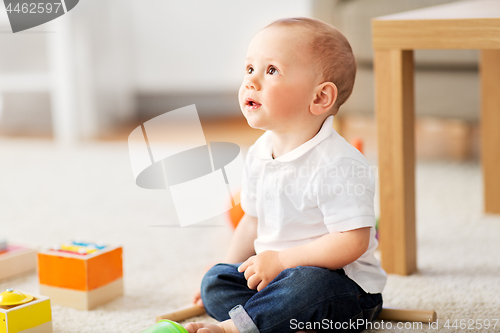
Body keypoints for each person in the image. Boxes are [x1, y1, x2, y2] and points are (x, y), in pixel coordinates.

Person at [185, 17, 386, 333]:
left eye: (271, 71)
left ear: (320, 98)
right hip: (275, 278)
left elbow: (354, 241)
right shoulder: (259, 152)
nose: (251, 82)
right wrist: (227, 269)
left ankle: (237, 327)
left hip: (342, 290)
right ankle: (275, 319)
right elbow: (250, 222)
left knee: (308, 286)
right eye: (249, 69)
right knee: (214, 282)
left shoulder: (339, 163)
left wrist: (281, 261)